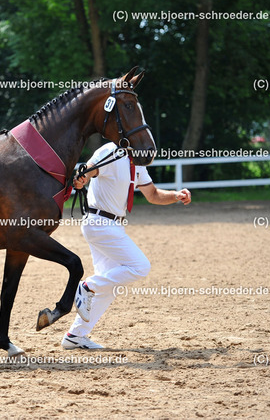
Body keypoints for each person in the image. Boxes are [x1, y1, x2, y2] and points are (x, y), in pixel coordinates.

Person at [61, 142, 191, 350]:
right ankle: (87, 286)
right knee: (140, 266)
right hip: (99, 223)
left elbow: (153, 195)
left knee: (110, 288)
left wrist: (176, 195)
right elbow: (90, 170)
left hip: (113, 226)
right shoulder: (109, 151)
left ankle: (75, 336)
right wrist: (81, 178)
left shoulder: (138, 163)